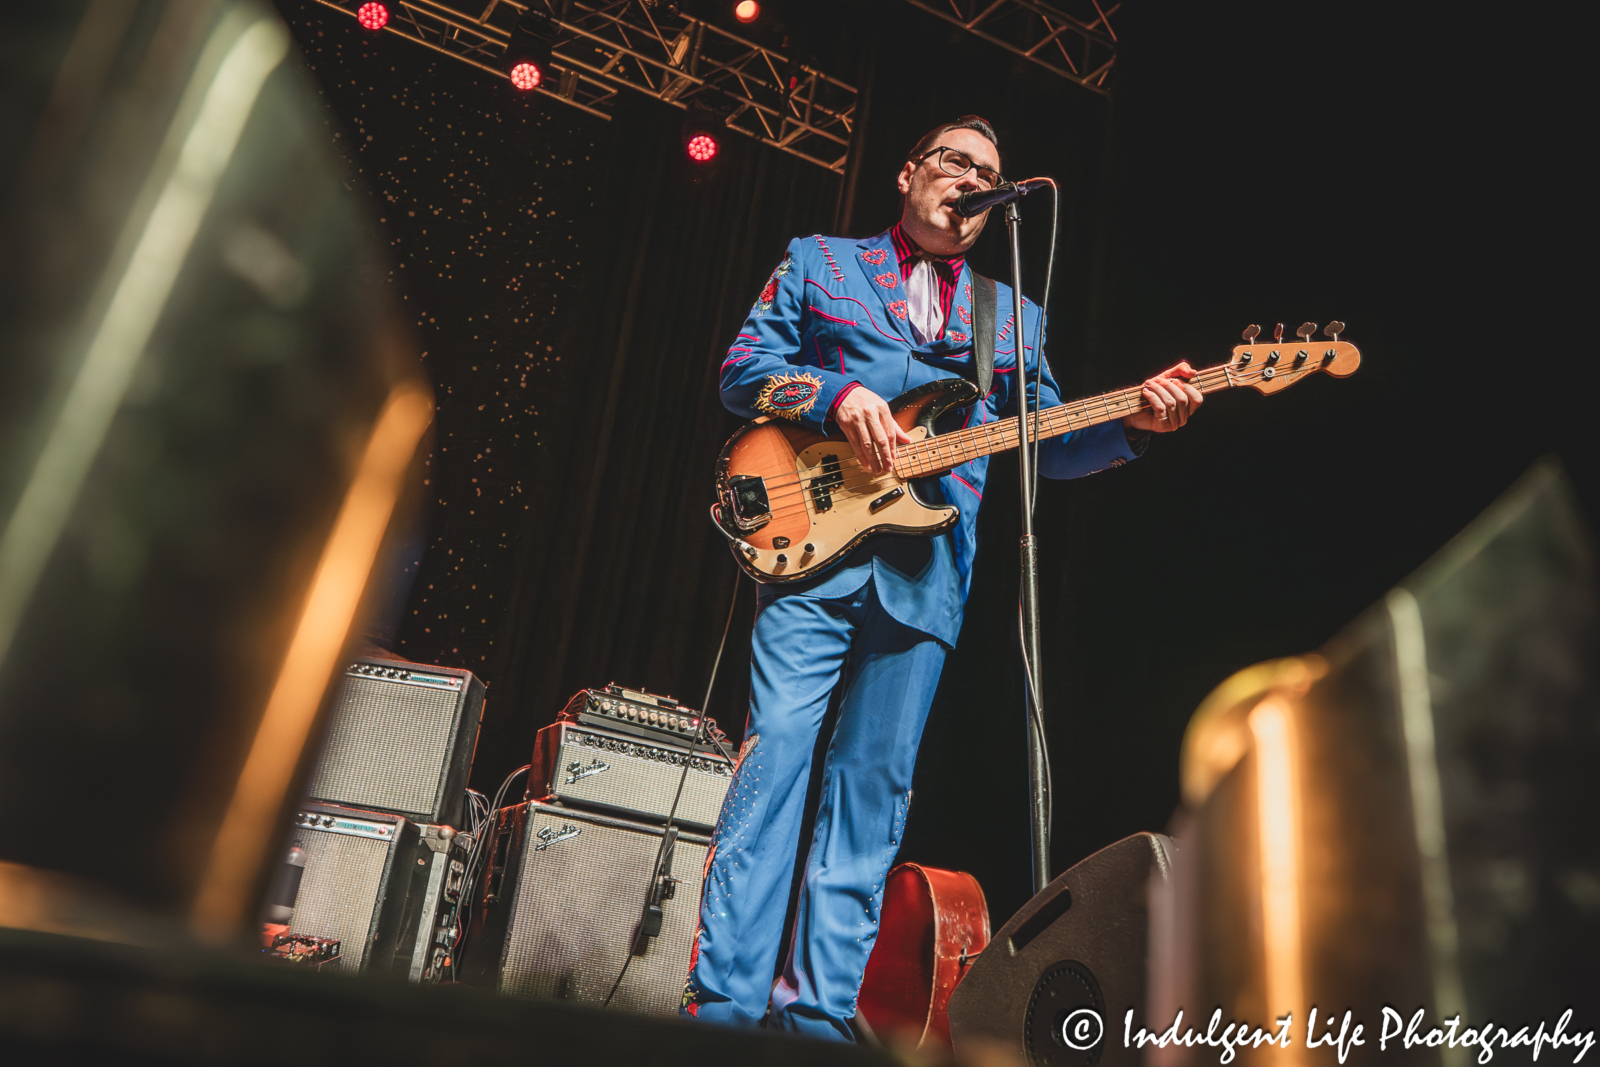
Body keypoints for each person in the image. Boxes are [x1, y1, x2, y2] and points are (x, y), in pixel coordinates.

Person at [680, 115, 1201, 1041]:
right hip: (808, 552)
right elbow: (743, 369)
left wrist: (1134, 425)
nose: (971, 180)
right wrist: (838, 396)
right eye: (956, 162)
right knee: (776, 764)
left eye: (988, 173)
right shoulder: (820, 263)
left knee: (873, 792)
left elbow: (1048, 444)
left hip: (925, 575)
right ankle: (721, 1002)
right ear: (909, 173)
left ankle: (819, 1016)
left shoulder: (1013, 315)